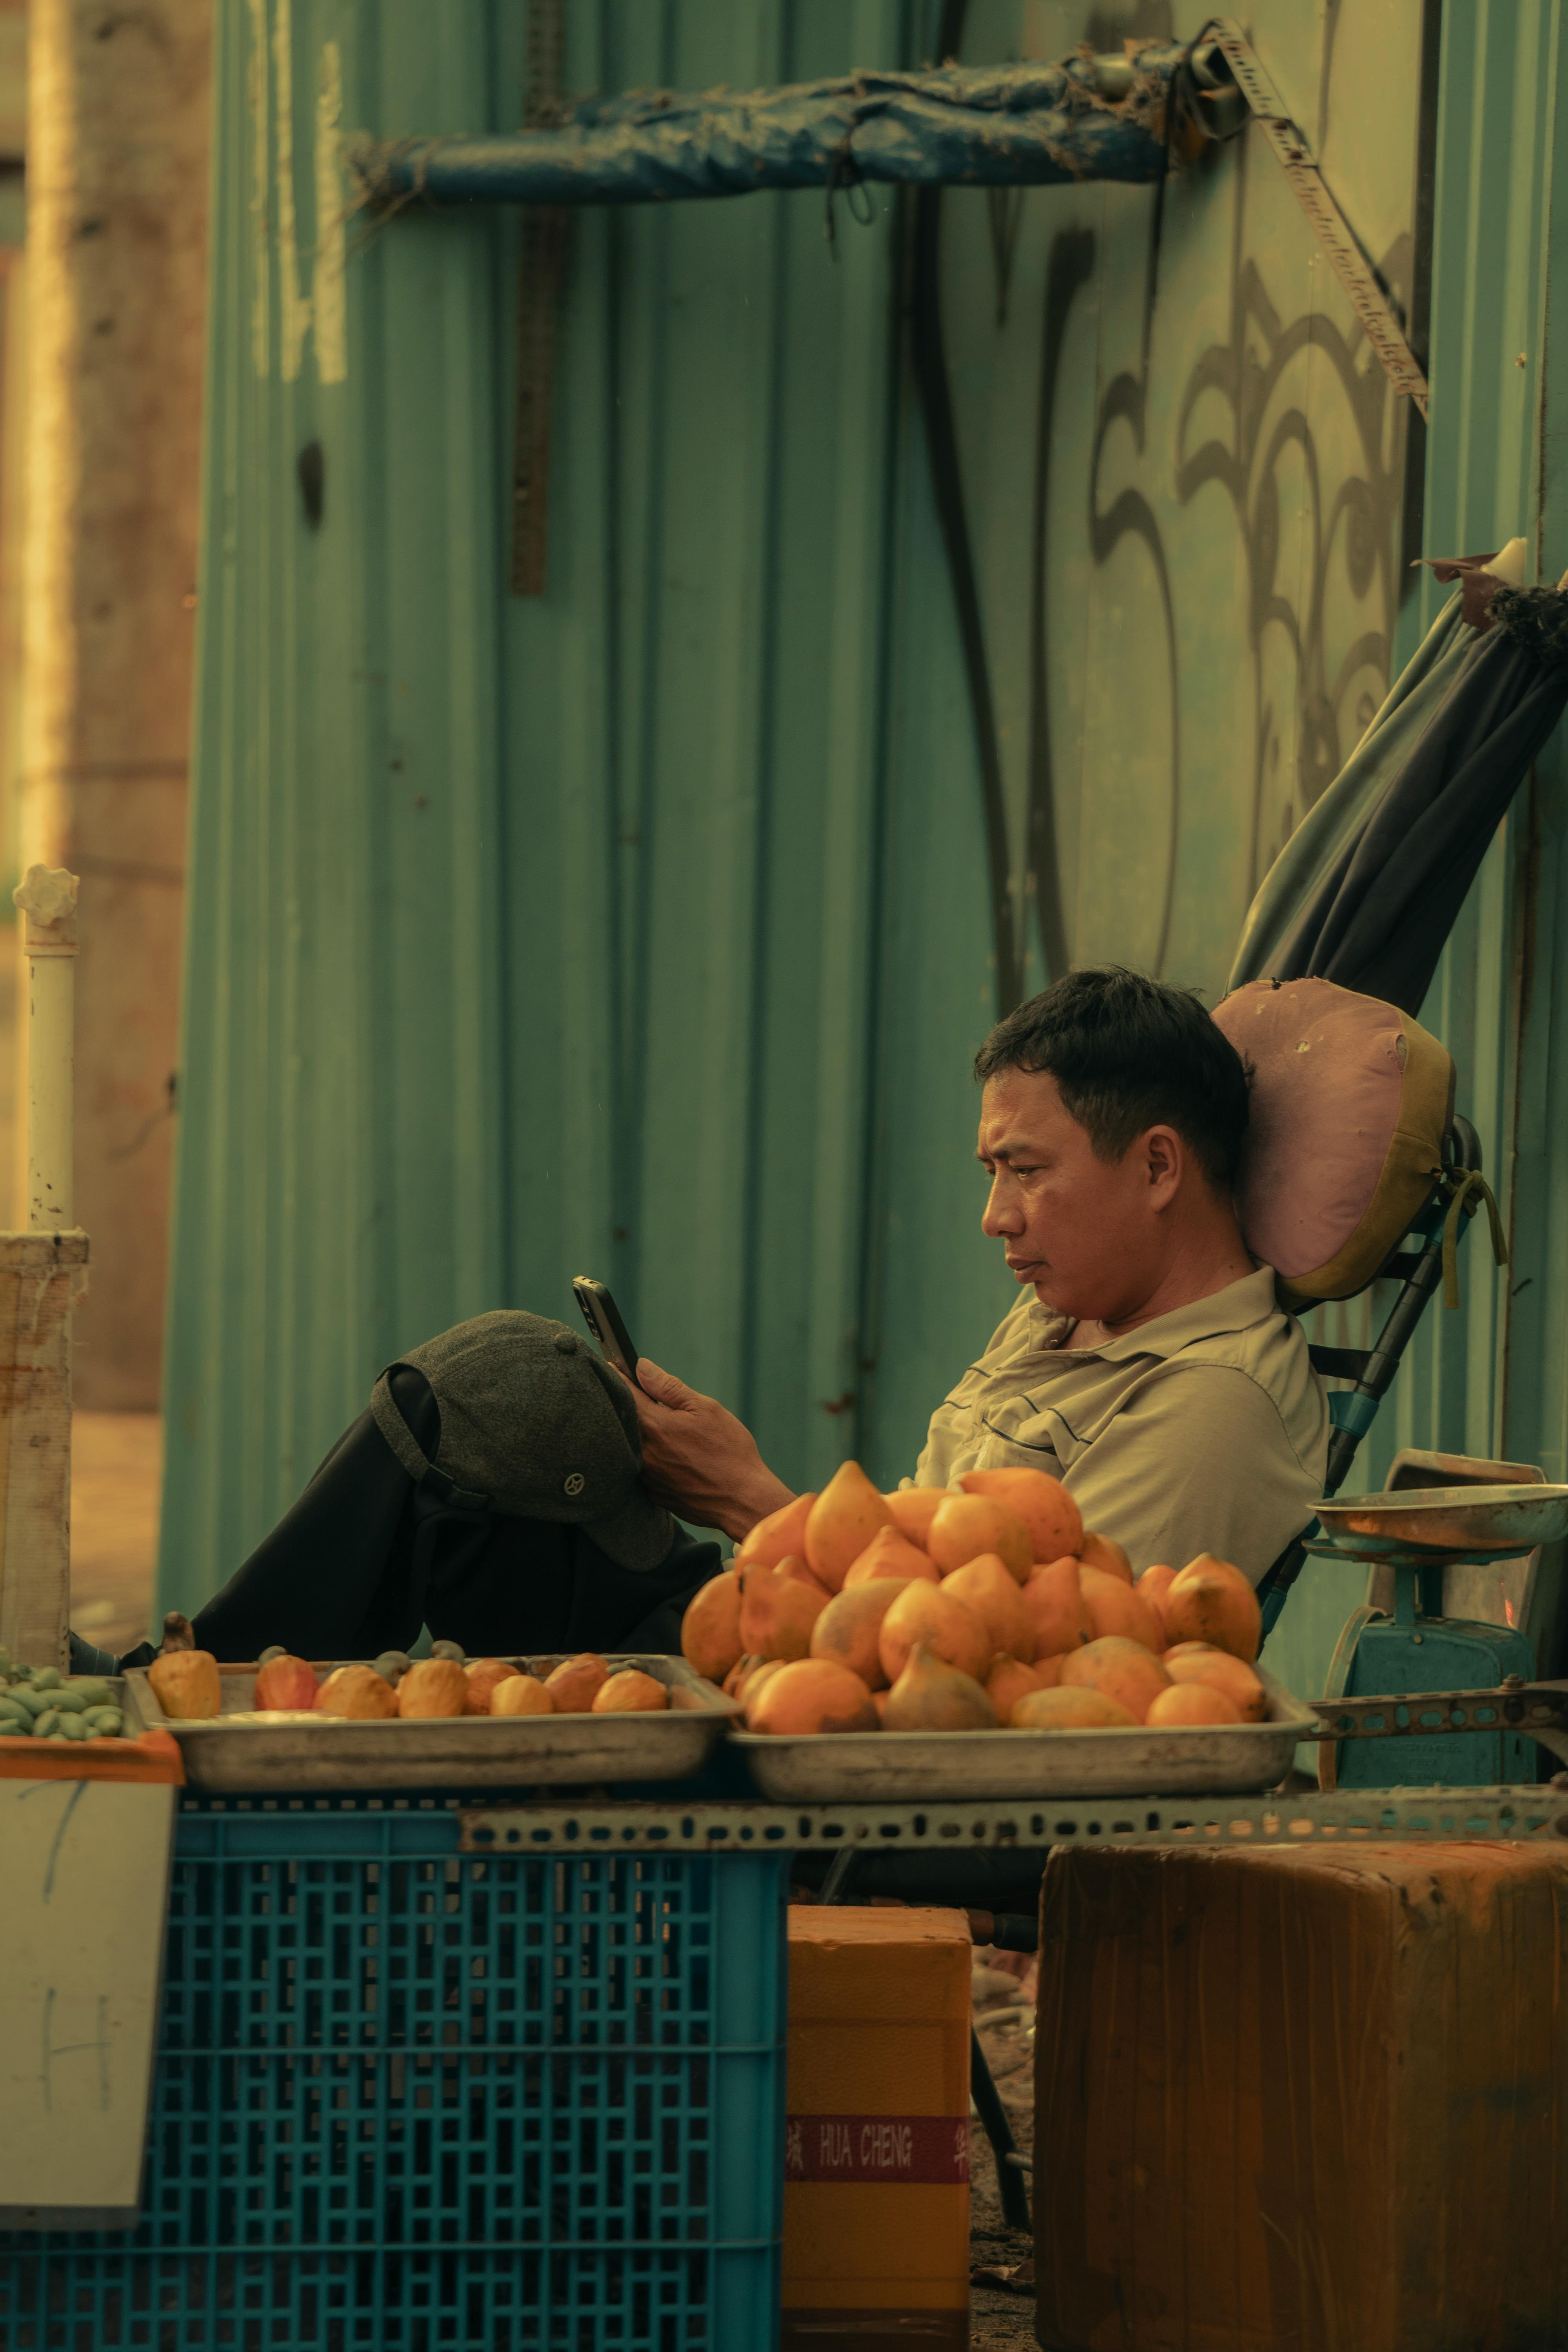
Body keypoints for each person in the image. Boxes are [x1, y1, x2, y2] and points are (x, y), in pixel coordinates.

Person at [626, 967, 1328, 1584]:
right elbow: (915, 1550)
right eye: (994, 1173)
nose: (996, 1219)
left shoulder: (1213, 1400)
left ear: (1157, 1167)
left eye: (1026, 1171)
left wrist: (747, 1501)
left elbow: (1024, 1658)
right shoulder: (1056, 1313)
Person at [97, 1311, 719, 1672]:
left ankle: (216, 1667)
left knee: (449, 1414)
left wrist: (739, 1491)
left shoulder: (682, 1686)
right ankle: (215, 1668)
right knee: (448, 1403)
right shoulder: (685, 1619)